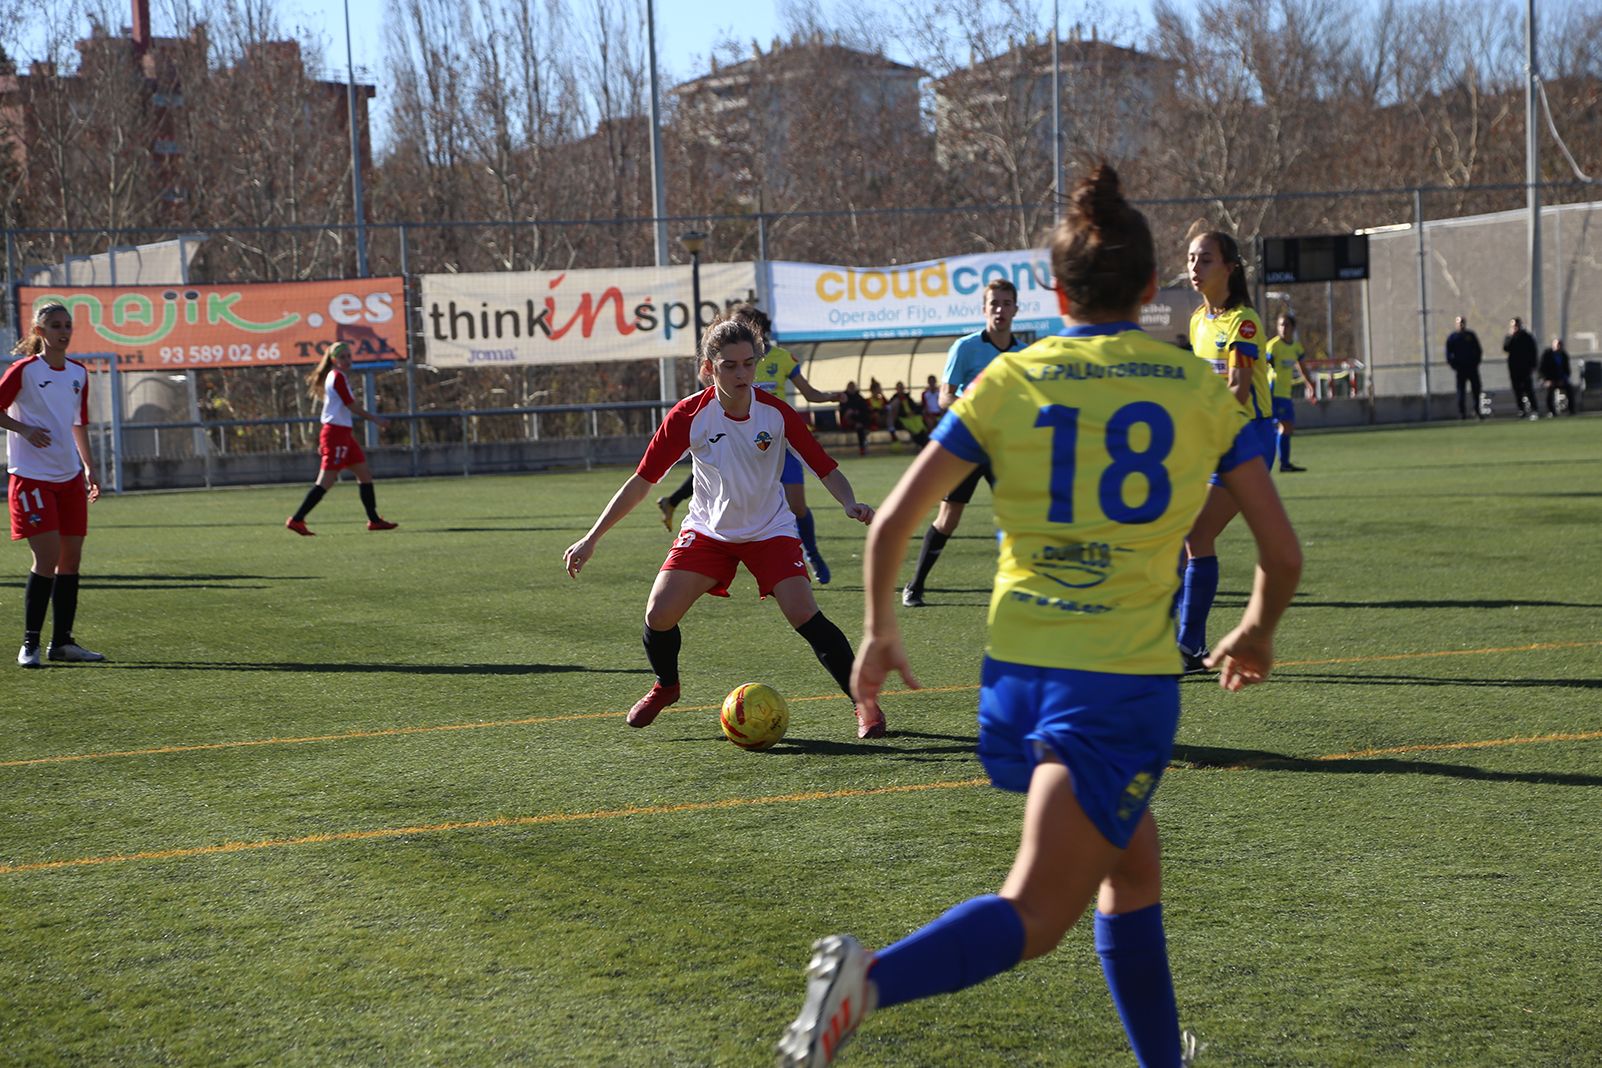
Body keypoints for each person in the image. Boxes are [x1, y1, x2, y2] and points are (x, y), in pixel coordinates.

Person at [776, 164, 1302, 1068]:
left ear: (1054, 293)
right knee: (1037, 913)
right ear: (1149, 291)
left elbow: (895, 521)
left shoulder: (1010, 379)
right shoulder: (1198, 390)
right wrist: (1256, 625)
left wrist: (879, 630)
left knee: (1132, 866)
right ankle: (866, 981)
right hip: (1118, 686)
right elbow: (1282, 553)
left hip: (1018, 677)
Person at [562, 314, 884, 739]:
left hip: (770, 529)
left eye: (748, 363)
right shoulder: (688, 416)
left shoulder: (777, 414)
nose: (741, 374)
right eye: (729, 365)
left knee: (805, 613)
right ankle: (666, 686)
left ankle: (865, 705)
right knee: (658, 614)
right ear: (707, 367)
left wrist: (849, 502)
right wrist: (592, 537)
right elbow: (641, 483)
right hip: (709, 532)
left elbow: (825, 467)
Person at [659, 308, 844, 584]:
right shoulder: (722, 363)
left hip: (776, 441)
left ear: (758, 331)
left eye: (742, 325)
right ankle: (695, 521)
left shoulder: (781, 359)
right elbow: (709, 382)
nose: (736, 330)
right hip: (737, 433)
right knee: (715, 475)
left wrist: (830, 396)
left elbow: (808, 393)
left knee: (798, 507)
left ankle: (812, 553)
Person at [1173, 227, 1278, 673]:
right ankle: (1177, 642)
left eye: (1205, 259)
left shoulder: (1245, 322)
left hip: (1247, 439)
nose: (1195, 267)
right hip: (1215, 437)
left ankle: (1187, 649)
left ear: (1230, 268)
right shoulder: (1199, 320)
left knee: (1196, 536)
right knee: (1182, 537)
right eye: (1192, 259)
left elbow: (1236, 390)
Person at [900, 279, 1024, 607]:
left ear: (1015, 309)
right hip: (968, 446)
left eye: (1006, 303)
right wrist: (977, 410)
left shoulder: (1024, 354)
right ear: (984, 309)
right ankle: (915, 585)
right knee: (948, 519)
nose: (1000, 309)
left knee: (1020, 517)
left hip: (1004, 450)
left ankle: (1023, 587)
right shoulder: (966, 347)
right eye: (994, 303)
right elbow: (944, 397)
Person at [0, 302, 106, 667]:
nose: (64, 331)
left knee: (71, 561)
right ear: (40, 331)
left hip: (69, 478)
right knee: (46, 559)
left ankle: (62, 643)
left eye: (68, 325)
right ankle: (30, 643)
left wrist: (89, 467)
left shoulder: (78, 373)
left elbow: (79, 422)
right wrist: (23, 429)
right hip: (31, 479)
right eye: (56, 325)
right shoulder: (24, 371)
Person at [284, 342, 398, 535]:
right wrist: (376, 419)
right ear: (334, 360)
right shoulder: (336, 377)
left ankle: (374, 520)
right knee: (325, 481)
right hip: (336, 433)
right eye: (342, 357)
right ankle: (297, 519)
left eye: (349, 356)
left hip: (343, 434)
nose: (347, 360)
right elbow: (351, 406)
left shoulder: (337, 376)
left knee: (364, 475)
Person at [1265, 313, 1316, 472]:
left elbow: (1302, 367)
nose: (1283, 328)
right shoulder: (1273, 346)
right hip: (1273, 391)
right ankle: (1279, 463)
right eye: (1281, 325)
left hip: (1285, 393)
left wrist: (1310, 385)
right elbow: (1262, 364)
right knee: (1281, 426)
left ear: (1293, 328)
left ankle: (1283, 463)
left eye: (1287, 325)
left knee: (1285, 427)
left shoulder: (1295, 347)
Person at [1444, 316, 1484, 421]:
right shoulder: (1453, 337)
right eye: (1459, 322)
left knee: (1476, 389)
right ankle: (1462, 413)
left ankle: (1477, 411)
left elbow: (1478, 350)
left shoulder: (1470, 336)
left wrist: (1476, 362)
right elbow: (1448, 354)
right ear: (1455, 324)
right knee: (1461, 392)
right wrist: (1454, 365)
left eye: (1462, 322)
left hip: (1472, 368)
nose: (1461, 324)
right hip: (1460, 369)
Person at [1503, 318, 1540, 421]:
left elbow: (1533, 351)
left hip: (1525, 368)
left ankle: (1534, 409)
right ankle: (1521, 410)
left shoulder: (1527, 337)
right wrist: (1511, 336)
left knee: (1528, 389)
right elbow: (1506, 348)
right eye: (1513, 325)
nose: (1515, 327)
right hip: (1514, 368)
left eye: (1517, 325)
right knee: (1517, 390)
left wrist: (1533, 365)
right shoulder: (1509, 336)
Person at [1538, 337, 1577, 417]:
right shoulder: (1547, 355)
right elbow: (1542, 369)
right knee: (1549, 392)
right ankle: (1551, 411)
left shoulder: (1564, 355)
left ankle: (1571, 410)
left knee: (1570, 389)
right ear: (1553, 345)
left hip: (1561, 380)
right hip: (1550, 380)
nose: (1558, 346)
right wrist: (1547, 380)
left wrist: (1563, 379)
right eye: (1557, 344)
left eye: (1560, 345)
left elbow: (1567, 371)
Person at [886, 382, 926, 446]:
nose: (901, 389)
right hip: (903, 418)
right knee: (913, 430)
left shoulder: (907, 397)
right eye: (899, 388)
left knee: (920, 426)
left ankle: (924, 443)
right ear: (896, 389)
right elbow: (895, 411)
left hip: (913, 417)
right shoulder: (895, 399)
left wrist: (913, 412)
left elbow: (914, 406)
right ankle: (920, 443)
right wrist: (905, 414)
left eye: (902, 387)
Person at [838, 382, 871, 456]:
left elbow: (864, 408)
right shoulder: (844, 397)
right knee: (851, 416)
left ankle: (863, 446)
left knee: (861, 423)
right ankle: (862, 446)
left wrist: (857, 412)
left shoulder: (858, 396)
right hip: (848, 420)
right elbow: (843, 410)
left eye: (853, 387)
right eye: (850, 387)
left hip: (859, 419)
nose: (852, 389)